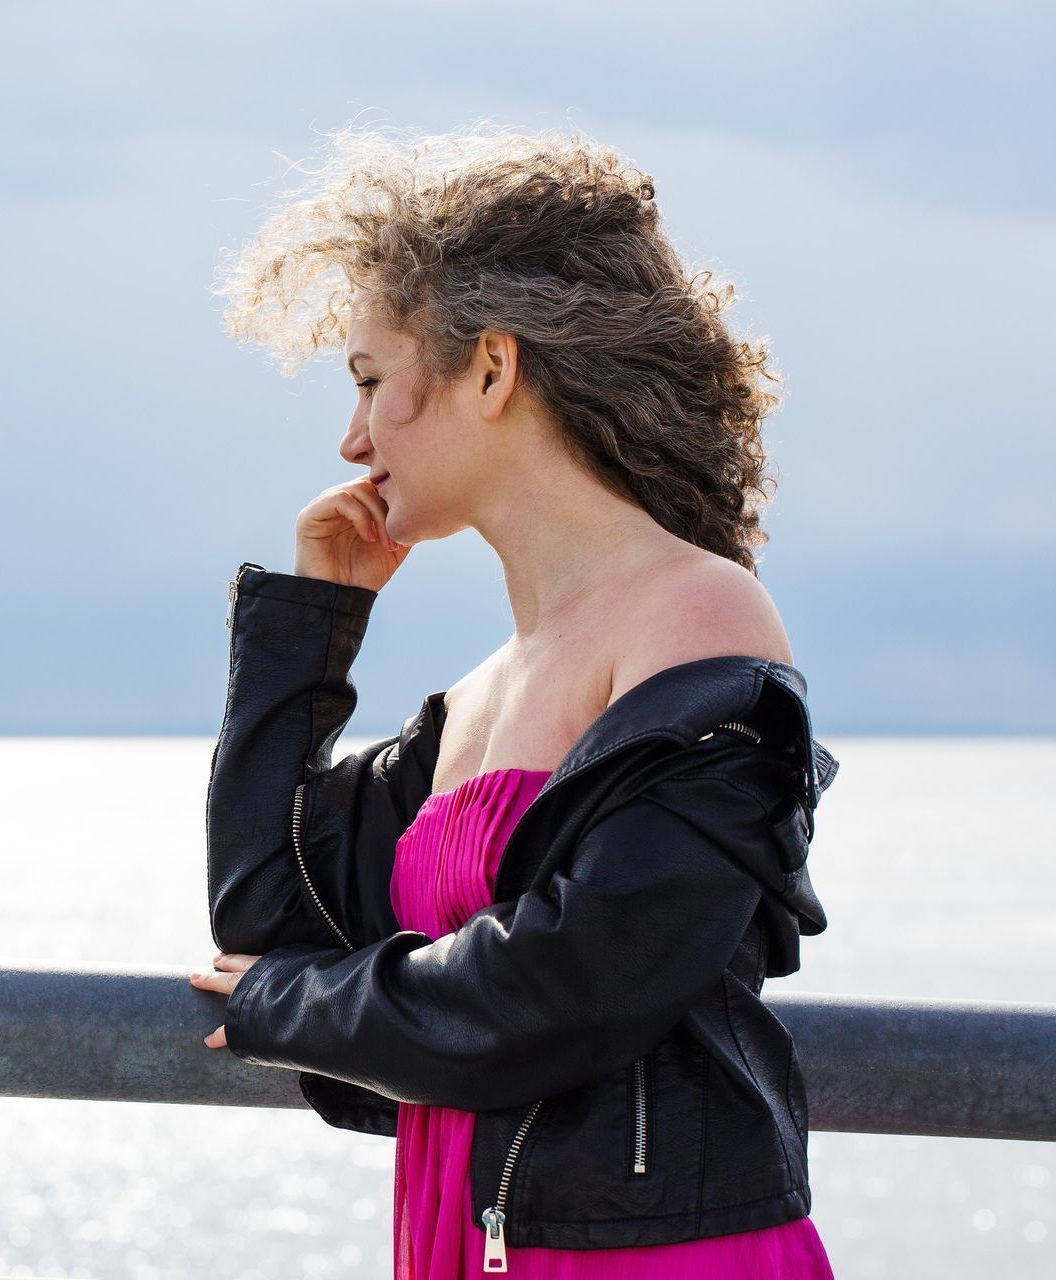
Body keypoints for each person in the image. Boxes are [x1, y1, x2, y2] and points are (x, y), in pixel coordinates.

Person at [189, 123, 841, 1278]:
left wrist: (287, 1006)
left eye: (370, 380)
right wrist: (306, 629)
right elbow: (264, 918)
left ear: (490, 369)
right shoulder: (486, 687)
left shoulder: (698, 617)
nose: (350, 438)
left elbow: (562, 987)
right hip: (470, 1246)